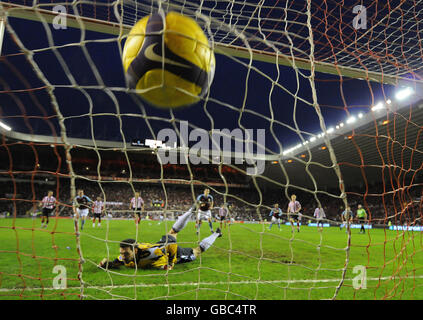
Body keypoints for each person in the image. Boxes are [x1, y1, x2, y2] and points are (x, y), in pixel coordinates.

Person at [97, 207, 222, 270]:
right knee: (173, 231)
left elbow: (171, 245)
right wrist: (106, 264)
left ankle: (216, 233)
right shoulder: (126, 258)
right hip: (160, 244)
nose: (123, 256)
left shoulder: (150, 252)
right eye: (122, 253)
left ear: (134, 251)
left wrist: (171, 262)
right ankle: (191, 211)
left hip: (170, 250)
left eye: (125, 253)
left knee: (198, 250)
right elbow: (117, 262)